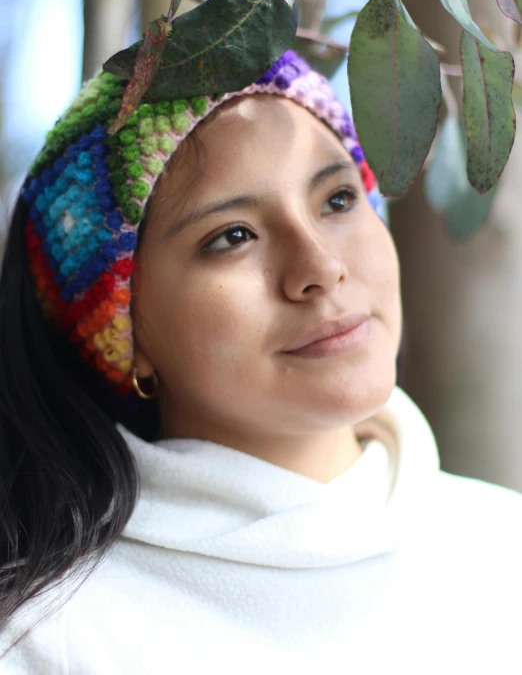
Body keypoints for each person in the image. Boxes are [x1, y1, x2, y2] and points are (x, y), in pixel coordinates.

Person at [0, 49, 520, 674]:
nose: (322, 267)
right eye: (232, 236)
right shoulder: (52, 640)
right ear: (123, 330)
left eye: (337, 200)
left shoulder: (502, 546)